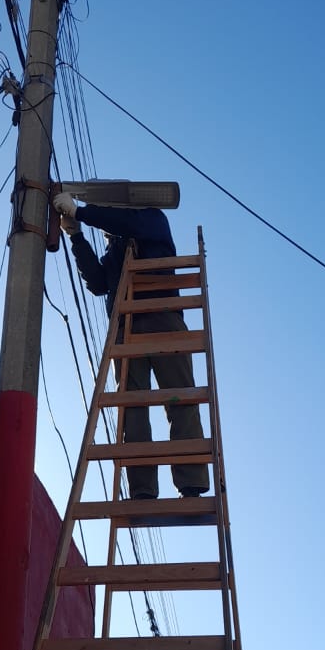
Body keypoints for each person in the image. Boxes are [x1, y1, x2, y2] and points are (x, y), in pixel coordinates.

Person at [53, 192, 210, 501]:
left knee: (179, 399)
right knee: (133, 409)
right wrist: (77, 237)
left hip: (164, 320)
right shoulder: (115, 251)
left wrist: (82, 211)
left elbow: (125, 221)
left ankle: (191, 483)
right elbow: (99, 284)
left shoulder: (151, 220)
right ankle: (142, 490)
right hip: (127, 327)